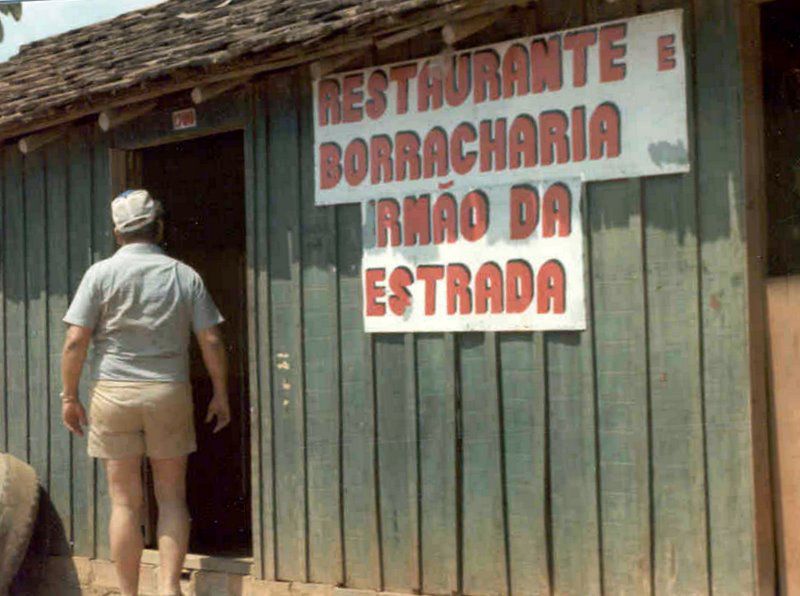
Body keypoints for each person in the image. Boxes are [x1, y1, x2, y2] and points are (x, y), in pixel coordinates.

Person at [60, 189, 231, 596]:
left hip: (113, 394)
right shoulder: (183, 274)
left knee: (123, 502)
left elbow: (74, 341)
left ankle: (128, 593)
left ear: (117, 233)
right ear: (159, 227)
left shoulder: (99, 275)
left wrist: (69, 396)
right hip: (166, 391)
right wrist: (220, 392)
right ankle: (169, 588)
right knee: (171, 498)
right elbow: (210, 339)